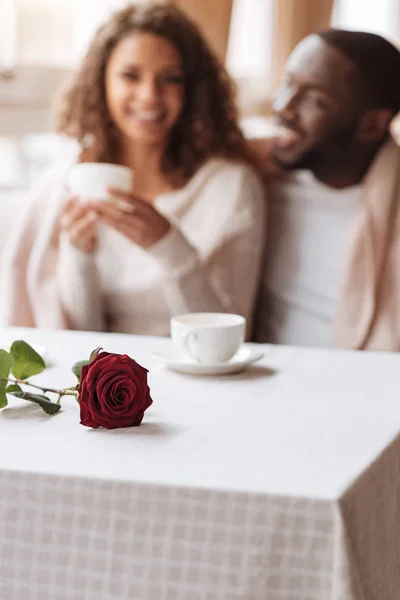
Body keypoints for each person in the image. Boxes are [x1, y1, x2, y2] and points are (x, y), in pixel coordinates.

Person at [0, 4, 266, 338]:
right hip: (108, 384)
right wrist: (81, 255)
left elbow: (228, 337)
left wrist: (168, 246)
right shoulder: (71, 182)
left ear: (193, 90)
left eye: (170, 79)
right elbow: (83, 336)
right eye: (131, 76)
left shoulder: (230, 187)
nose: (149, 95)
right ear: (101, 83)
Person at [254, 29, 400, 351]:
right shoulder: (259, 180)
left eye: (315, 99)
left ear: (372, 125)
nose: (284, 107)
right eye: (287, 84)